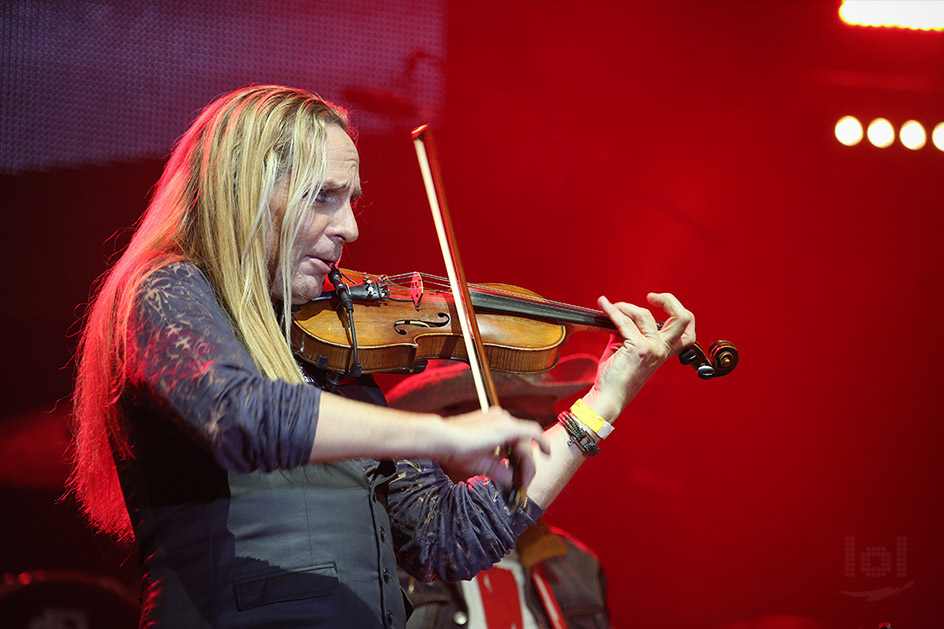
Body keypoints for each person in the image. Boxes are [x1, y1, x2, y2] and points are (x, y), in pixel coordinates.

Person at [68, 85, 696, 628]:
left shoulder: (337, 343)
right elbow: (241, 416)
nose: (351, 228)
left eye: (353, 200)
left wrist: (605, 398)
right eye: (324, 197)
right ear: (244, 191)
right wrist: (434, 435)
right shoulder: (168, 290)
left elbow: (450, 538)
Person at [386, 356, 611, 629]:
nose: (540, 438)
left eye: (550, 424)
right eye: (518, 420)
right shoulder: (387, 557)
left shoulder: (579, 565)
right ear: (448, 420)